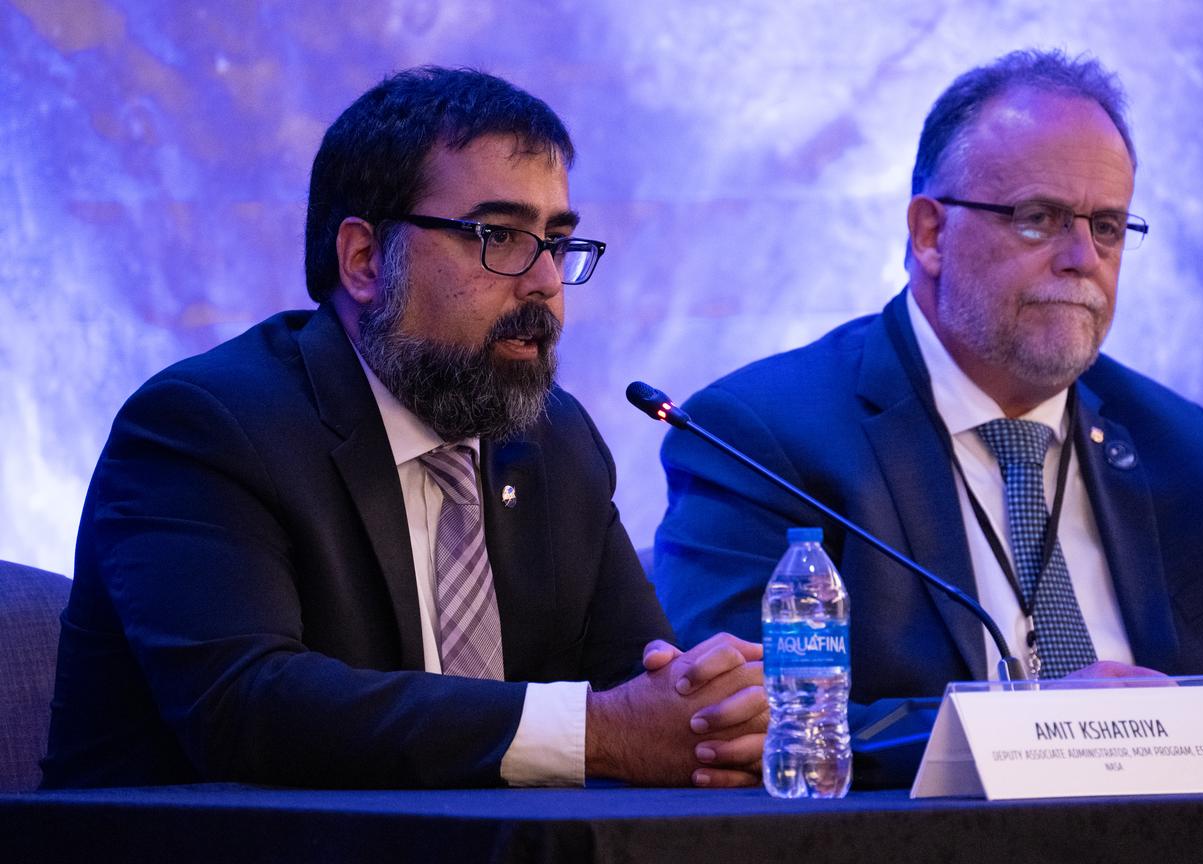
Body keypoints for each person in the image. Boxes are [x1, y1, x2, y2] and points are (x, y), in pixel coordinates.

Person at [42, 66, 765, 790]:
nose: (544, 281)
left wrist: (709, 714)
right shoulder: (207, 427)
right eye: (500, 236)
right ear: (364, 261)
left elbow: (639, 686)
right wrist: (597, 733)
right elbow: (247, 707)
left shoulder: (555, 439)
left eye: (556, 241)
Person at [653, 49, 1203, 750]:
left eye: (1107, 226)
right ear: (931, 234)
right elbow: (734, 715)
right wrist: (1035, 726)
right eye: (1040, 218)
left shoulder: (1178, 444)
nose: (1083, 258)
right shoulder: (764, 436)